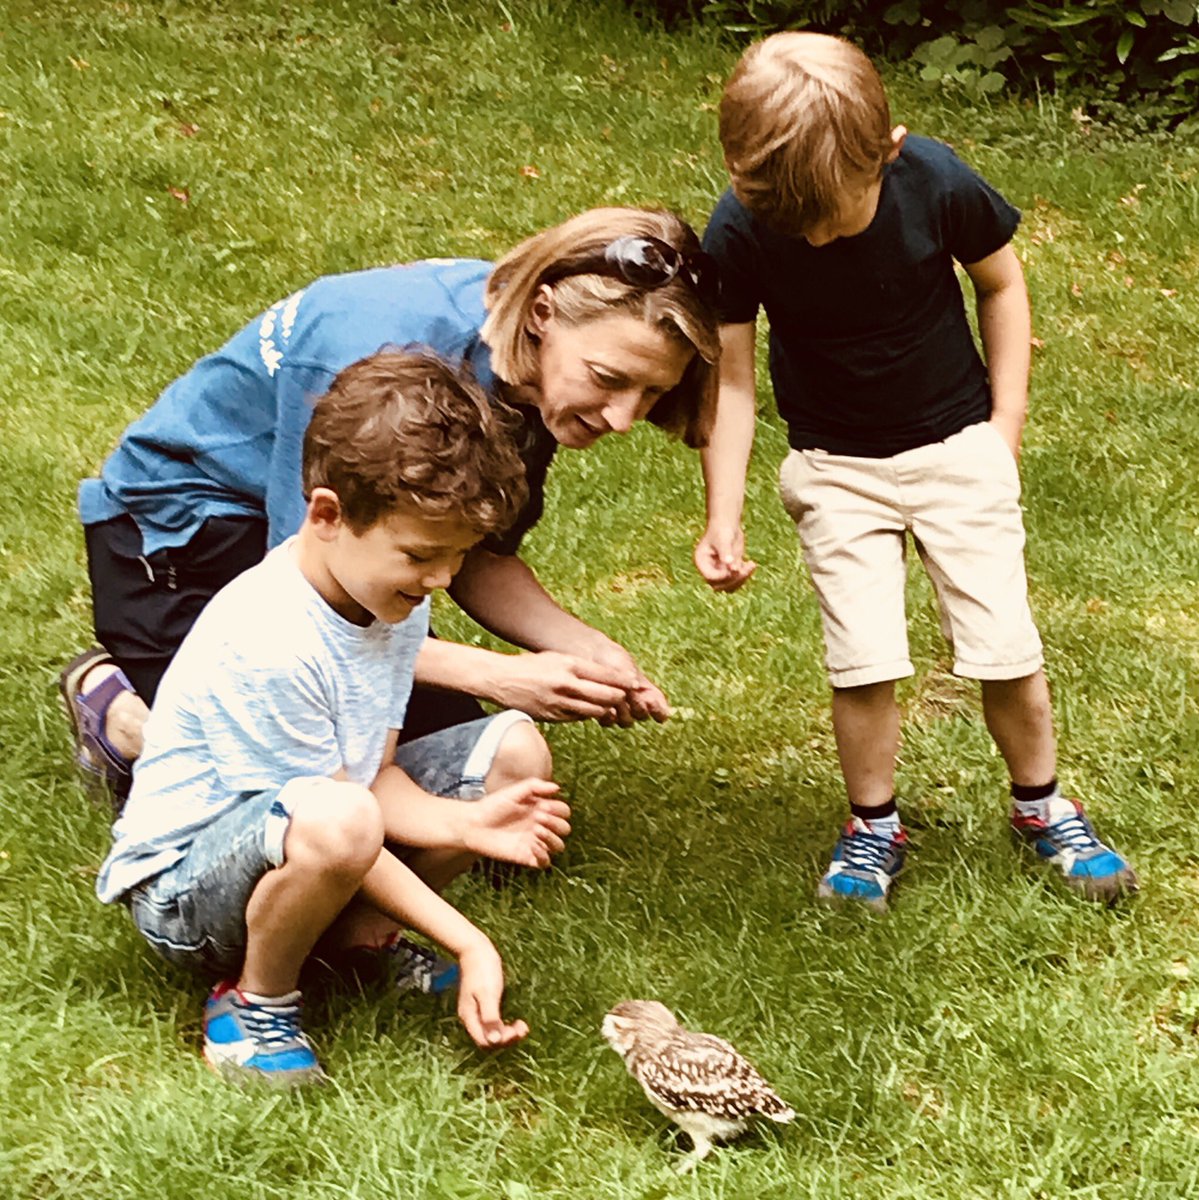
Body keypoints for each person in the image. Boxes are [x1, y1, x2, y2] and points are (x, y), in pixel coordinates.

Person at [63, 207, 721, 802]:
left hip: (341, 572)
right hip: (181, 549)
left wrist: (586, 651)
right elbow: (305, 604)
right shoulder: (378, 348)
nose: (623, 417)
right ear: (543, 312)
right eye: (608, 380)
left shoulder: (526, 370)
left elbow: (476, 555)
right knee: (282, 789)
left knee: (489, 784)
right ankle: (122, 716)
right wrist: (499, 676)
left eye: (650, 393)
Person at [696, 32, 1137, 910]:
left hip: (955, 449)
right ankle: (872, 826)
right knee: (860, 659)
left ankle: (1041, 804)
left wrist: (1002, 425)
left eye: (834, 215)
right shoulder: (744, 225)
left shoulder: (932, 180)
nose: (816, 237)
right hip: (832, 467)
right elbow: (733, 381)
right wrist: (724, 511)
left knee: (1004, 645)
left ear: (887, 151)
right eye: (798, 225)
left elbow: (1001, 286)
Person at [96, 350, 573, 1087]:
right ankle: (255, 1004)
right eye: (421, 554)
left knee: (512, 752)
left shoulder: (392, 595)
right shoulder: (271, 637)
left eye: (456, 556)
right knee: (339, 819)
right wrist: (468, 940)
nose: (441, 578)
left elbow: (370, 773)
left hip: (320, 823)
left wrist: (463, 824)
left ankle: (355, 938)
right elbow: (330, 812)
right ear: (326, 514)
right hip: (188, 894)